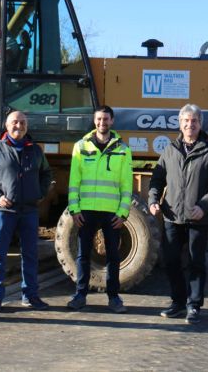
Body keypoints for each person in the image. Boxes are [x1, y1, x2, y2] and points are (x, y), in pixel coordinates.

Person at [148, 103, 208, 324]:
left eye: (194, 121)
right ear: (180, 123)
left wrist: (204, 206)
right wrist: (153, 199)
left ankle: (194, 305)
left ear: (200, 124)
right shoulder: (170, 150)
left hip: (198, 218)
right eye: (186, 120)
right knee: (171, 261)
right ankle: (177, 303)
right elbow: (157, 179)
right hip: (172, 217)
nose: (189, 124)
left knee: (195, 263)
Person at [0, 110, 53, 312]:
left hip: (29, 210)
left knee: (30, 254)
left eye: (22, 122)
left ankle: (30, 295)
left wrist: (40, 193)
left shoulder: (35, 150)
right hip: (5, 211)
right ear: (6, 125)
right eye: (15, 122)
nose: (19, 126)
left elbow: (46, 173)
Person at [66, 105, 133, 313]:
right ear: (94, 121)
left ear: (112, 121)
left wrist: (123, 213)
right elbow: (74, 181)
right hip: (86, 211)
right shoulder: (80, 146)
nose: (102, 122)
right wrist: (74, 209)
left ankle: (114, 298)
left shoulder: (123, 150)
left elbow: (127, 185)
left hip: (112, 213)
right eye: (99, 119)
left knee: (113, 257)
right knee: (83, 255)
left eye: (106, 119)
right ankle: (80, 295)